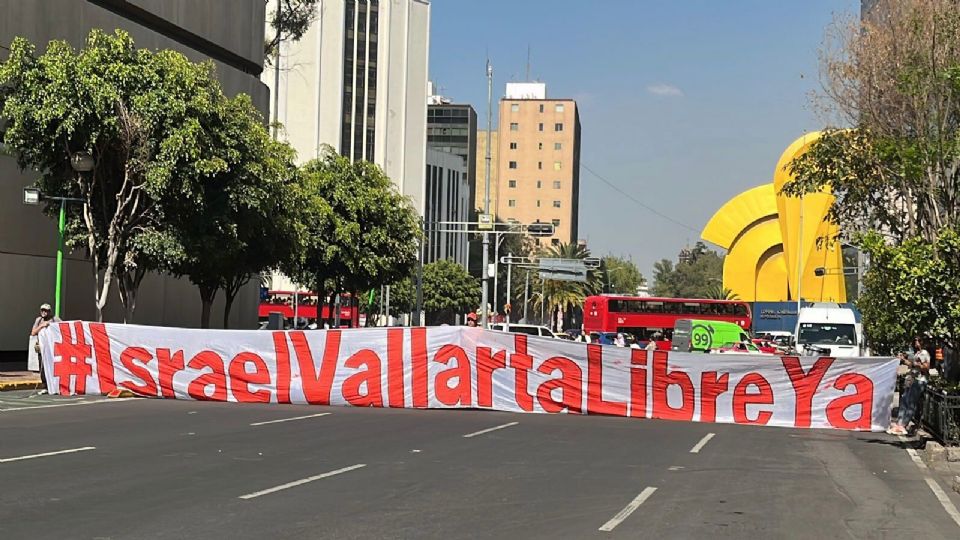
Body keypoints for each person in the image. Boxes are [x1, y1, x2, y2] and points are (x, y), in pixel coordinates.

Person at [888, 342, 929, 435]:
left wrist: (917, 364)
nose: (915, 343)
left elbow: (926, 367)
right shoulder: (918, 353)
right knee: (904, 400)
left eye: (917, 340)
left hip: (919, 380)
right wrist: (903, 360)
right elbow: (911, 364)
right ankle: (899, 423)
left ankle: (903, 424)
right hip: (912, 379)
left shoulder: (925, 353)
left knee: (911, 402)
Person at [30, 303, 61, 394]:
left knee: (54, 367)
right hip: (42, 348)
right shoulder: (38, 320)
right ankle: (46, 386)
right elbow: (33, 332)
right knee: (43, 368)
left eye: (46, 310)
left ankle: (55, 386)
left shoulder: (55, 319)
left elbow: (62, 328)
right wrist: (42, 326)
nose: (44, 312)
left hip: (53, 349)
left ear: (49, 312)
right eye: (42, 310)